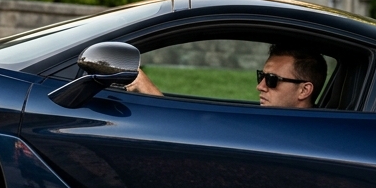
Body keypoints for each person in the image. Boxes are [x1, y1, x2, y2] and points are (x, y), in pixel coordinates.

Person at [126, 44, 327, 109]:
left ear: (304, 90)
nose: (260, 86)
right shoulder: (274, 122)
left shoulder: (295, 136)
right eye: (261, 76)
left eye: (272, 80)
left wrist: (147, 88)